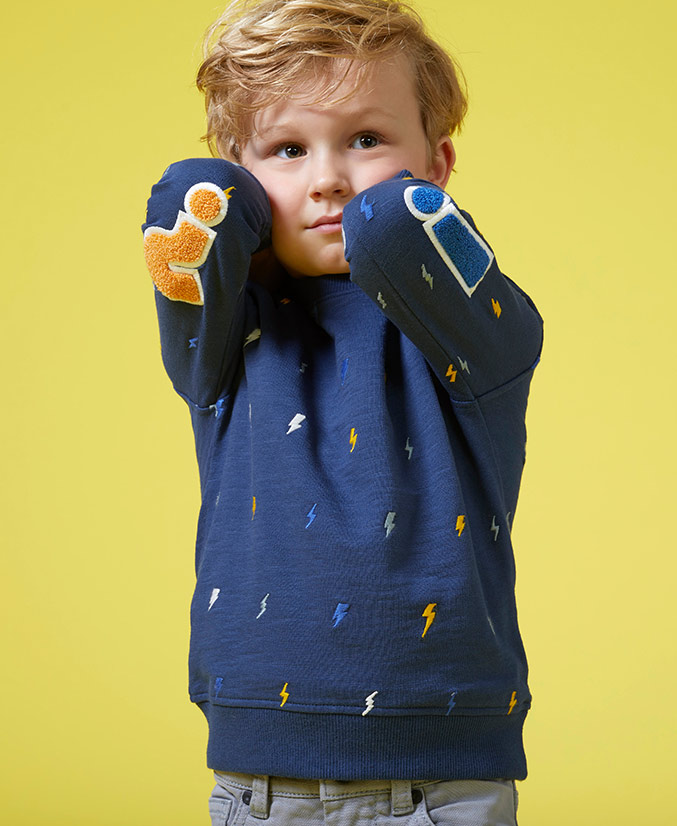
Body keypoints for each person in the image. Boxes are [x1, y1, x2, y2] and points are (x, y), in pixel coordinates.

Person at [142, 1, 543, 823]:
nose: (327, 178)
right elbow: (189, 197)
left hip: (442, 780)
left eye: (365, 139)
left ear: (438, 163)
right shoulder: (225, 335)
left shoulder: (475, 330)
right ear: (248, 183)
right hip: (261, 781)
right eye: (287, 150)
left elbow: (395, 223)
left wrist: (376, 194)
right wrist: (237, 193)